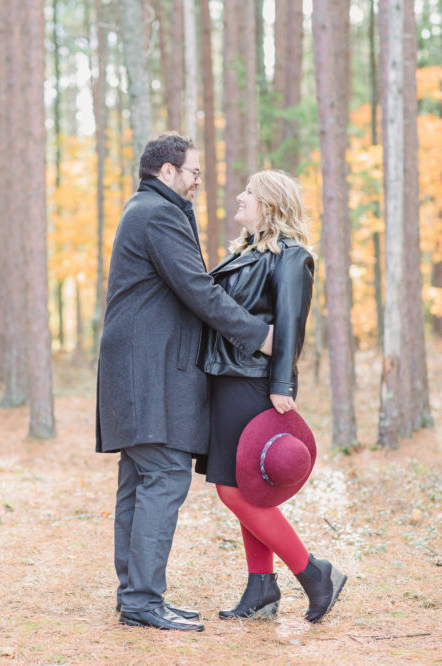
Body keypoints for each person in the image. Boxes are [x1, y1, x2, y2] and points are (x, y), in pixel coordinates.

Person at [96, 132, 274, 632]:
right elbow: (197, 290)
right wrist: (260, 336)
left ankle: (135, 595)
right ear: (168, 172)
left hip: (139, 367)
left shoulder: (146, 210)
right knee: (164, 476)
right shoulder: (158, 214)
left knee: (140, 480)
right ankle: (143, 601)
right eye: (194, 171)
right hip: (149, 370)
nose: (198, 181)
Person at [200, 169, 347, 623]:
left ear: (270, 204)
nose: (240, 197)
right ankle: (261, 586)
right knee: (248, 488)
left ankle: (314, 573)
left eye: (249, 192)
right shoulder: (246, 251)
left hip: (255, 381)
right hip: (226, 378)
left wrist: (282, 383)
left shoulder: (292, 256)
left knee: (234, 490)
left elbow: (290, 323)